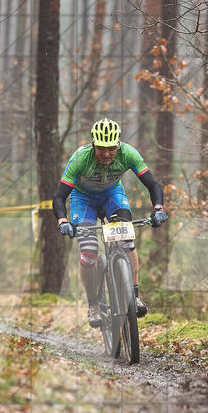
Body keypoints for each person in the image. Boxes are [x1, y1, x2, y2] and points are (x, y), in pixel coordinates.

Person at [52, 118, 168, 326]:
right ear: (94, 145)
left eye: (111, 149)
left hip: (112, 195)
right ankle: (94, 306)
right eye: (102, 149)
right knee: (89, 251)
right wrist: (62, 221)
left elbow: (153, 185)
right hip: (83, 199)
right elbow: (60, 196)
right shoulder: (80, 158)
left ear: (119, 144)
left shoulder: (129, 154)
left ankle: (134, 295)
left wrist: (158, 208)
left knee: (127, 241)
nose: (107, 154)